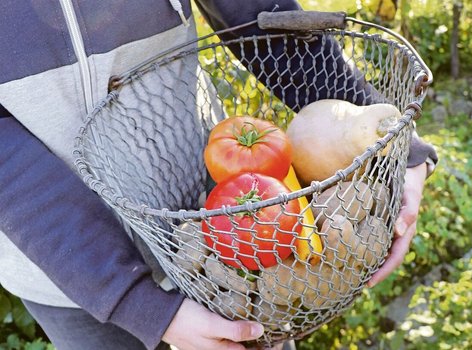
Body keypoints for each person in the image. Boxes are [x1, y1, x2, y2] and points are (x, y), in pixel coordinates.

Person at [0, 0, 437, 349]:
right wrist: (134, 301)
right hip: (66, 268)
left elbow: (258, 13)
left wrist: (392, 145)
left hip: (223, 221)